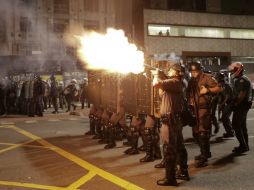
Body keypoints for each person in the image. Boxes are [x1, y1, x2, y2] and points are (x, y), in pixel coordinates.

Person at [153, 63, 189, 186]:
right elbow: (161, 92)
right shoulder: (179, 83)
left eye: (172, 70)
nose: (170, 71)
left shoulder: (173, 82)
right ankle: (183, 171)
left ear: (176, 72)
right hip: (175, 119)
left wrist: (156, 76)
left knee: (169, 148)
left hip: (169, 120)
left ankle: (170, 178)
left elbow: (155, 84)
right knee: (179, 146)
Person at [186, 62, 222, 168]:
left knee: (203, 133)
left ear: (200, 70)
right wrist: (189, 100)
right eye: (192, 72)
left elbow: (219, 88)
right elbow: (188, 93)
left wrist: (208, 90)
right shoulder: (191, 81)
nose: (194, 74)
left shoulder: (207, 78)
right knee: (195, 134)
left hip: (204, 108)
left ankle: (204, 157)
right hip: (194, 109)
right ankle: (205, 152)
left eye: (196, 71)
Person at [229, 62, 252, 153]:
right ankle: (245, 145)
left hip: (241, 105)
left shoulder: (242, 80)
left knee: (236, 125)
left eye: (233, 69)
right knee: (242, 126)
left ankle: (243, 145)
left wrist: (235, 104)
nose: (232, 71)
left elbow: (242, 95)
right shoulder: (240, 79)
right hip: (242, 105)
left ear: (237, 69)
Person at [216, 73, 234, 138]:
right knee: (225, 118)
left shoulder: (226, 85)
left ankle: (230, 132)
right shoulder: (222, 85)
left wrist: (222, 104)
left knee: (225, 118)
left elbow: (227, 96)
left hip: (230, 103)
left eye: (217, 78)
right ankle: (230, 131)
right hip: (226, 103)